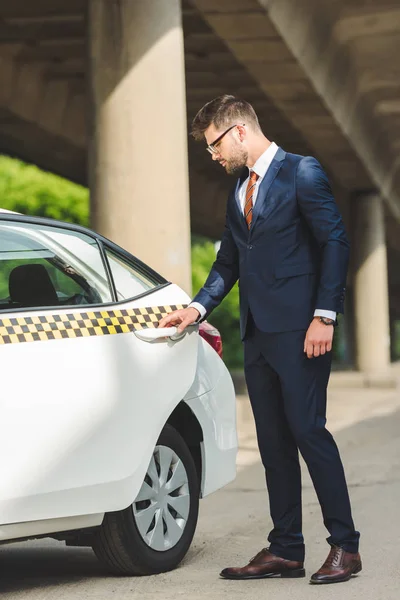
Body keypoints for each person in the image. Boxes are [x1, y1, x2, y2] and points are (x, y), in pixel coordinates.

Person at [158, 95, 361, 585]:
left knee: (309, 433)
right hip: (259, 334)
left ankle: (345, 547)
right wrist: (197, 307)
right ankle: (286, 548)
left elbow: (334, 240)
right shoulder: (238, 193)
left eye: (214, 145)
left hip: (301, 331)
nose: (213, 156)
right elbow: (229, 262)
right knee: (272, 443)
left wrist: (325, 316)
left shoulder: (302, 173)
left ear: (240, 132)